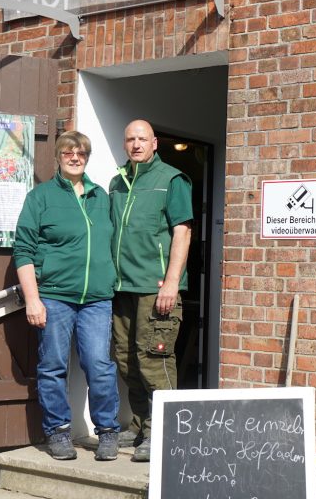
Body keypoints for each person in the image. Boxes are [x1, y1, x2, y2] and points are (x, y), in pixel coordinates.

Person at [13, 130, 121, 461]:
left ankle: (108, 431)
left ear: (87, 158)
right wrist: (33, 298)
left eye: (81, 153)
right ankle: (58, 432)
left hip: (96, 299)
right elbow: (24, 250)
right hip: (55, 297)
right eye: (68, 153)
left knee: (99, 364)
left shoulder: (100, 196)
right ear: (58, 158)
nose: (75, 157)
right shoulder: (41, 197)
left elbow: (117, 241)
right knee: (53, 365)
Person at [110, 120, 193, 462]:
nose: (136, 144)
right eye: (130, 138)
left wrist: (172, 282)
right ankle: (140, 425)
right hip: (121, 287)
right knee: (126, 361)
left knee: (153, 360)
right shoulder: (118, 181)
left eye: (142, 138)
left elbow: (183, 232)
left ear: (155, 143)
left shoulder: (172, 179)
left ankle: (163, 432)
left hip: (155, 288)